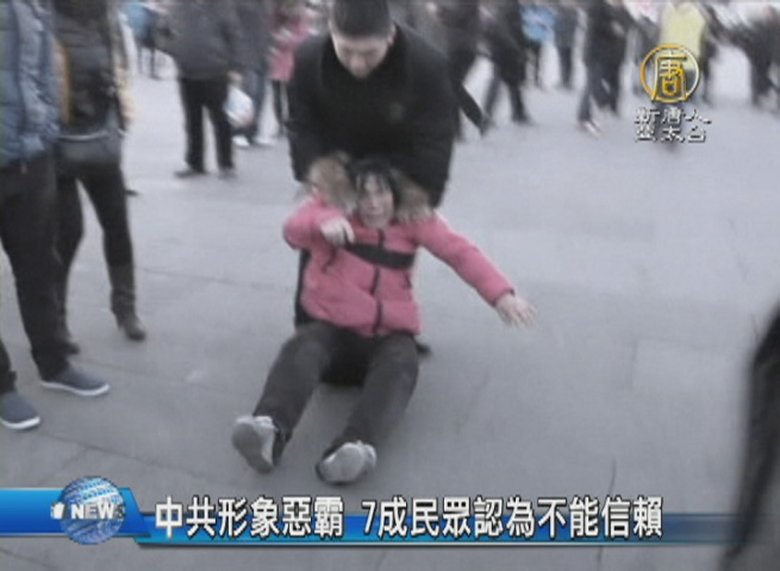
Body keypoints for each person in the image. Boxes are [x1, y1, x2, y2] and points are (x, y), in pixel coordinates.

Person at [232, 159, 536, 484]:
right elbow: (293, 230)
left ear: (395, 194)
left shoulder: (413, 221)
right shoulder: (332, 213)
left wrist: (501, 296)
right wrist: (322, 221)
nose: (374, 204)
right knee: (302, 346)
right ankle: (269, 430)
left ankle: (354, 446)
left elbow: (460, 252)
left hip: (386, 337)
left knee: (402, 362)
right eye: (364, 195)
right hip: (333, 334)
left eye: (382, 194)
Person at [285, 0, 458, 327]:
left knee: (388, 250)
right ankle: (310, 322)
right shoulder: (308, 57)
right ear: (331, 32)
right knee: (324, 235)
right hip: (336, 152)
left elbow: (436, 138)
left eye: (368, 53)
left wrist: (424, 196)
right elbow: (301, 124)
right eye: (347, 50)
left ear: (390, 37)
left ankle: (387, 328)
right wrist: (316, 176)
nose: (357, 63)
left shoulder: (426, 63)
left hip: (397, 155)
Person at [0, 0, 111, 431]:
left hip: (31, 159)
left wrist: (46, 128)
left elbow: (45, 67)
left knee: (39, 267)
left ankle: (54, 362)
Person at [52, 0, 147, 349]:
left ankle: (125, 308)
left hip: (101, 137)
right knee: (68, 232)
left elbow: (119, 66)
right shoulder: (45, 14)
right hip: (59, 143)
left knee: (117, 224)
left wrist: (121, 115)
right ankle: (56, 318)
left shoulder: (106, 15)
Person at [164, 0, 244, 179]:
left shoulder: (221, 6)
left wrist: (236, 67)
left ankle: (226, 163)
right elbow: (162, 31)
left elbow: (234, 35)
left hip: (216, 71)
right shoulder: (179, 6)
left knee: (221, 120)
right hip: (187, 72)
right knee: (192, 121)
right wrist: (173, 49)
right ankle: (195, 163)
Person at [482, 0, 532, 126]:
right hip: (507, 48)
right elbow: (513, 30)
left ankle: (517, 112)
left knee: (511, 81)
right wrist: (520, 47)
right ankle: (489, 114)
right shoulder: (510, 7)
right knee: (503, 81)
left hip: (501, 47)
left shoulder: (501, 6)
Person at [268, 0, 310, 139]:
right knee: (277, 95)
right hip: (277, 60)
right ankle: (280, 124)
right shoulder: (275, 15)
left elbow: (303, 37)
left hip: (292, 61)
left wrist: (287, 39)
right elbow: (270, 34)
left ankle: (291, 123)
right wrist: (278, 38)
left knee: (291, 95)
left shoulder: (300, 16)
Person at [233, 0, 271, 148]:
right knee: (248, 93)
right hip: (245, 54)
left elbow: (265, 27)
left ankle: (254, 132)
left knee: (260, 94)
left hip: (261, 53)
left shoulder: (263, 4)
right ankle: (239, 132)